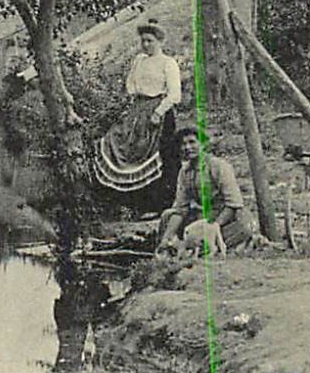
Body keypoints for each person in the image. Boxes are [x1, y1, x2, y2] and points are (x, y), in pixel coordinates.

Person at [93, 20, 181, 193]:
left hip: (159, 111)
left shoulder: (168, 63)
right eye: (143, 41)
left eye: (150, 41)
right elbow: (131, 85)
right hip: (137, 110)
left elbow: (174, 94)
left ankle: (163, 200)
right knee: (123, 145)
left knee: (160, 154)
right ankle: (133, 201)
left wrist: (158, 112)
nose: (146, 44)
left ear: (159, 41)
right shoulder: (139, 60)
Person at [158, 126, 260, 252]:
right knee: (167, 216)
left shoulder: (218, 166)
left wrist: (214, 226)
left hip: (227, 217)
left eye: (192, 142)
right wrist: (166, 238)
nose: (188, 148)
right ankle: (170, 246)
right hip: (203, 217)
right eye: (183, 144)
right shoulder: (184, 172)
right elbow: (180, 208)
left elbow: (234, 203)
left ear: (202, 144)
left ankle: (212, 245)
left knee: (243, 228)